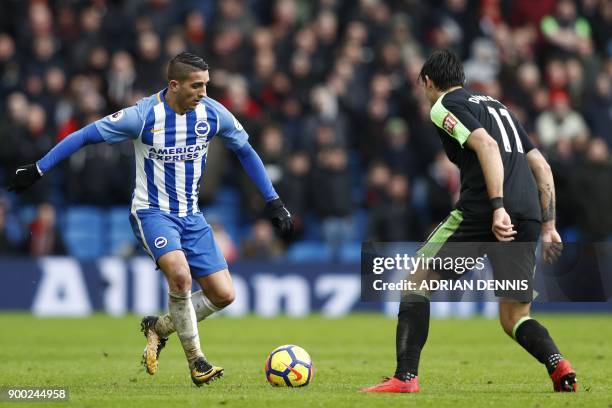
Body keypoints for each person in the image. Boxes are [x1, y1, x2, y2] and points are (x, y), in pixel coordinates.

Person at [7, 52, 293, 387]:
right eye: (197, 85)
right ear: (174, 85)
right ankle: (197, 362)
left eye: (206, 85)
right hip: (152, 213)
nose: (204, 92)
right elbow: (85, 135)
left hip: (193, 216)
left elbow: (246, 151)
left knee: (224, 295)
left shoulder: (213, 114)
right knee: (181, 276)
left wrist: (273, 201)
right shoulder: (143, 116)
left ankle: (159, 328)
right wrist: (39, 168)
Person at [362, 50, 576, 393]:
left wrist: (497, 207)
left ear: (428, 82)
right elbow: (541, 165)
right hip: (529, 213)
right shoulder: (498, 107)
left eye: (423, 87)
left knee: (416, 279)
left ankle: (405, 378)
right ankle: (558, 364)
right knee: (515, 317)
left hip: (485, 211)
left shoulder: (443, 105)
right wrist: (549, 226)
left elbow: (487, 146)